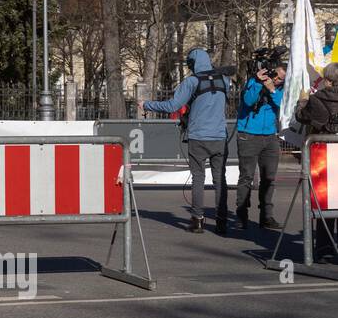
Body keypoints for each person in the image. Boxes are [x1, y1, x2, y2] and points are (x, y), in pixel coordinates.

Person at [141, 48, 231, 234]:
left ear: (192, 64)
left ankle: (197, 220)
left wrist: (147, 104)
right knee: (219, 179)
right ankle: (222, 221)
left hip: (198, 136)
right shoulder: (225, 80)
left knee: (198, 178)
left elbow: (173, 105)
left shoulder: (192, 81)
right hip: (220, 137)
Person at [235, 58, 286, 231]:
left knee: (269, 178)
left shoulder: (279, 89)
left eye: (280, 79)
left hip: (270, 136)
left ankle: (266, 216)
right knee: (246, 177)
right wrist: (258, 82)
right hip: (248, 135)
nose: (276, 80)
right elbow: (248, 101)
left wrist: (272, 89)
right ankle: (241, 215)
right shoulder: (254, 80)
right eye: (276, 76)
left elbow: (284, 106)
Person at [296, 63, 338, 135]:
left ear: (330, 82)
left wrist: (302, 102)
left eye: (324, 78)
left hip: (322, 142)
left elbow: (300, 117)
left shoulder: (315, 99)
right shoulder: (316, 98)